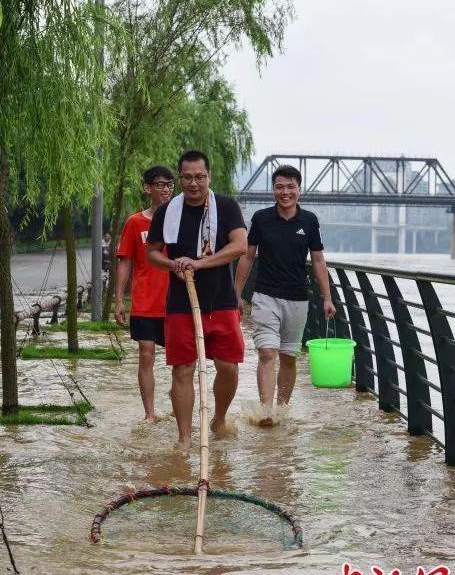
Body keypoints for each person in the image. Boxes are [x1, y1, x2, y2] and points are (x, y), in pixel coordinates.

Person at [147, 150, 247, 451]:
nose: (194, 183)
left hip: (222, 301)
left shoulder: (227, 207)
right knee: (182, 369)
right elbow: (152, 253)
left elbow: (240, 246)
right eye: (188, 177)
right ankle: (184, 438)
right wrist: (173, 264)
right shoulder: (167, 212)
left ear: (209, 177)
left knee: (228, 366)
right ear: (180, 179)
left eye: (199, 177)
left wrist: (200, 263)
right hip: (181, 304)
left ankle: (218, 418)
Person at [235, 164, 335, 426]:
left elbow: (318, 261)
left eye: (290, 187)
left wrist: (327, 297)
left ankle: (282, 408)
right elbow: (247, 256)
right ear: (273, 190)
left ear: (299, 190)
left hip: (298, 298)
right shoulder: (261, 218)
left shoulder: (310, 221)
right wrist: (236, 293)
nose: (285, 192)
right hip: (265, 295)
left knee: (289, 357)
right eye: (280, 186)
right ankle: (267, 412)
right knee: (267, 352)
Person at [115, 165, 175, 421]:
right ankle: (150, 413)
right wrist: (119, 299)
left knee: (180, 360)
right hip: (144, 302)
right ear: (147, 188)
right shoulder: (135, 222)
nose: (166, 190)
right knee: (146, 354)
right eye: (160, 184)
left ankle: (177, 406)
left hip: (176, 302)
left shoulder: (181, 220)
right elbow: (125, 261)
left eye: (170, 184)